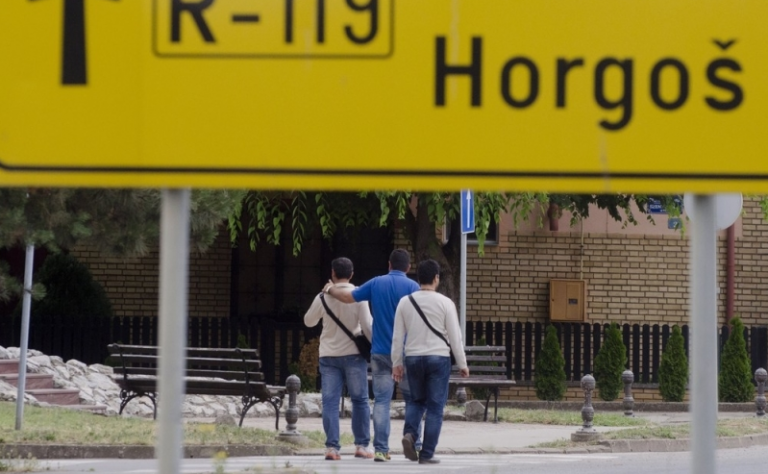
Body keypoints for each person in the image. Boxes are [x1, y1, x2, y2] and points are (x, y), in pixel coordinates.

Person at [323, 248, 420, 462]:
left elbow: (348, 297)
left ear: (389, 264)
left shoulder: (376, 283)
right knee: (413, 400)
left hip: (380, 352)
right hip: (406, 353)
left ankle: (381, 450)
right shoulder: (413, 288)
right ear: (408, 267)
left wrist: (329, 289)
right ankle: (415, 442)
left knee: (382, 401)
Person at [391, 259, 469, 465]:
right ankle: (426, 454)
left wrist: (397, 362)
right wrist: (462, 364)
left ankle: (410, 434)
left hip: (413, 358)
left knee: (416, 401)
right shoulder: (445, 303)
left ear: (418, 278)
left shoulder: (405, 302)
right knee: (435, 407)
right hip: (438, 358)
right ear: (436, 278)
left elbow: (397, 336)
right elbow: (455, 336)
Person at [305, 257, 374, 461]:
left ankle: (332, 448)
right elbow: (367, 325)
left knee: (330, 402)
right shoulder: (359, 295)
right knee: (360, 400)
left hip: (329, 355)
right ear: (351, 274)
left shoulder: (322, 297)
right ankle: (361, 446)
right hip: (354, 356)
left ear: (333, 273)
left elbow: (308, 321)